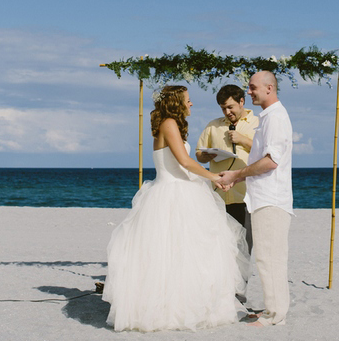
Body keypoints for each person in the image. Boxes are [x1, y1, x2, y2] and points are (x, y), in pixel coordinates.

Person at [102, 85, 249, 332]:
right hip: (171, 194)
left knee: (185, 254)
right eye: (188, 100)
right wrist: (214, 178)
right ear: (175, 103)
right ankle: (171, 311)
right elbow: (184, 160)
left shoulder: (172, 124)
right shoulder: (169, 123)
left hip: (180, 189)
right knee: (171, 255)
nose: (191, 104)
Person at [218, 71, 293, 327]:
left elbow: (271, 161)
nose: (248, 92)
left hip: (271, 199)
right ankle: (274, 310)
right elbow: (259, 159)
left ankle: (275, 316)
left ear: (269, 88)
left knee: (270, 258)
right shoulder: (269, 117)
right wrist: (237, 178)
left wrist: (237, 173)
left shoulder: (276, 118)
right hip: (262, 197)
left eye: (252, 88)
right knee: (267, 257)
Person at [196, 84, 258, 253]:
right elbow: (198, 154)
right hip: (219, 196)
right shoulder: (213, 126)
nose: (227, 112)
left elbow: (268, 154)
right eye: (223, 109)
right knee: (220, 248)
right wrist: (206, 156)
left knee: (244, 248)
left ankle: (241, 281)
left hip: (246, 196)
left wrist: (243, 140)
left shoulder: (258, 123)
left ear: (242, 101)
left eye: (230, 107)